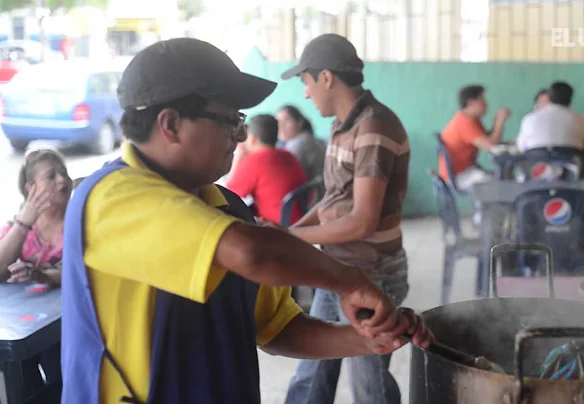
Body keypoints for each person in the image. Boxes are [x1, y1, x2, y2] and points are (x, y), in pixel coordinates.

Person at [60, 37, 433, 404]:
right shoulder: (111, 196)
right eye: (229, 119)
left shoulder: (228, 207)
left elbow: (278, 329)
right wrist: (349, 281)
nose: (240, 135)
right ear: (171, 125)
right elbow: (251, 253)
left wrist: (366, 340)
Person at [280, 33, 412, 404]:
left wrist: (292, 239)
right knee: (313, 371)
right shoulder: (343, 125)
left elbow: (361, 223)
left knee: (369, 384)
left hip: (371, 272)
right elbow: (333, 200)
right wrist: (288, 232)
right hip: (337, 264)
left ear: (326, 77)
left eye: (305, 82)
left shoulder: (374, 126)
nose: (305, 93)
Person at [0, 148, 69, 286]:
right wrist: (22, 225)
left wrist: (42, 276)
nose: (62, 180)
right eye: (51, 177)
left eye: (64, 173)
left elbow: (81, 272)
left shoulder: (81, 221)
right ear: (30, 189)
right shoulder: (19, 226)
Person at [226, 114, 308, 225]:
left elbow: (227, 195)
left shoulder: (254, 161)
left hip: (275, 226)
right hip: (301, 220)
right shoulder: (288, 155)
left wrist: (238, 158)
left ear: (253, 139)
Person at [438, 85, 511, 190]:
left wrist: (497, 122)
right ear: (471, 103)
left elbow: (489, 138)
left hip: (466, 171)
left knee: (502, 178)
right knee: (500, 183)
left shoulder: (470, 119)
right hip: (459, 176)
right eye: (482, 100)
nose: (486, 104)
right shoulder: (464, 122)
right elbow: (491, 145)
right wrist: (500, 120)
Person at [516, 81, 584, 152]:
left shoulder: (529, 118)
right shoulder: (579, 119)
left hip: (536, 164)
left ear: (549, 98)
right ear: (570, 99)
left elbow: (521, 146)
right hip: (570, 164)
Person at [276, 104, 326, 181]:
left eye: (287, 120)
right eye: (278, 122)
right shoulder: (308, 138)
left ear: (300, 122)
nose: (281, 126)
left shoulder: (300, 143)